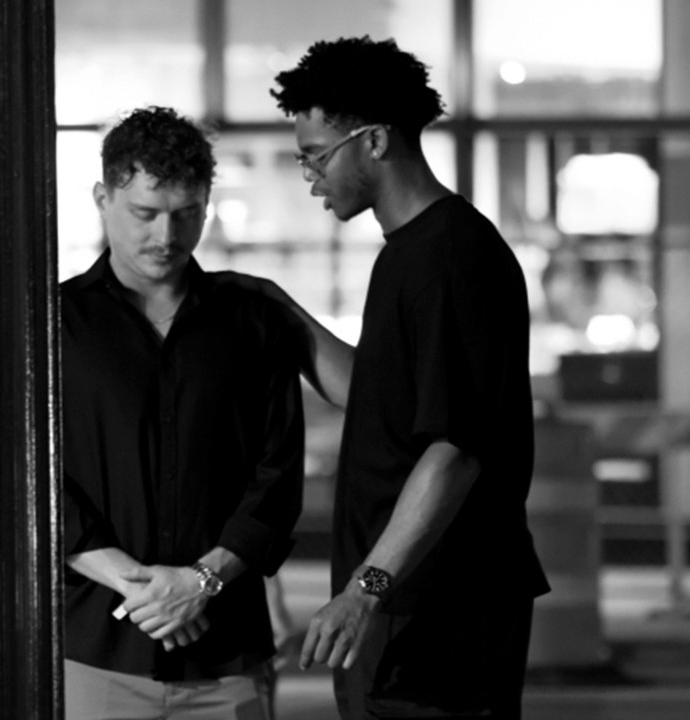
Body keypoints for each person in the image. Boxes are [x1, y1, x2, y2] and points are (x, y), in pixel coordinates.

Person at [264, 37, 551, 719]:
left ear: (375, 141)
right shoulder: (411, 253)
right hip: (409, 602)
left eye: (316, 154)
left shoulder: (450, 261)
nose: (309, 175)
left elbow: (453, 450)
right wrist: (281, 316)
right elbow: (381, 402)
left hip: (438, 610)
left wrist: (367, 588)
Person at [59, 106, 305, 720]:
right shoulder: (53, 324)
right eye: (144, 213)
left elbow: (278, 478)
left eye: (187, 213)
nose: (166, 237)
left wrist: (200, 582)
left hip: (228, 660)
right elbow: (28, 477)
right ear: (102, 197)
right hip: (95, 655)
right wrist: (143, 589)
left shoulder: (254, 320)